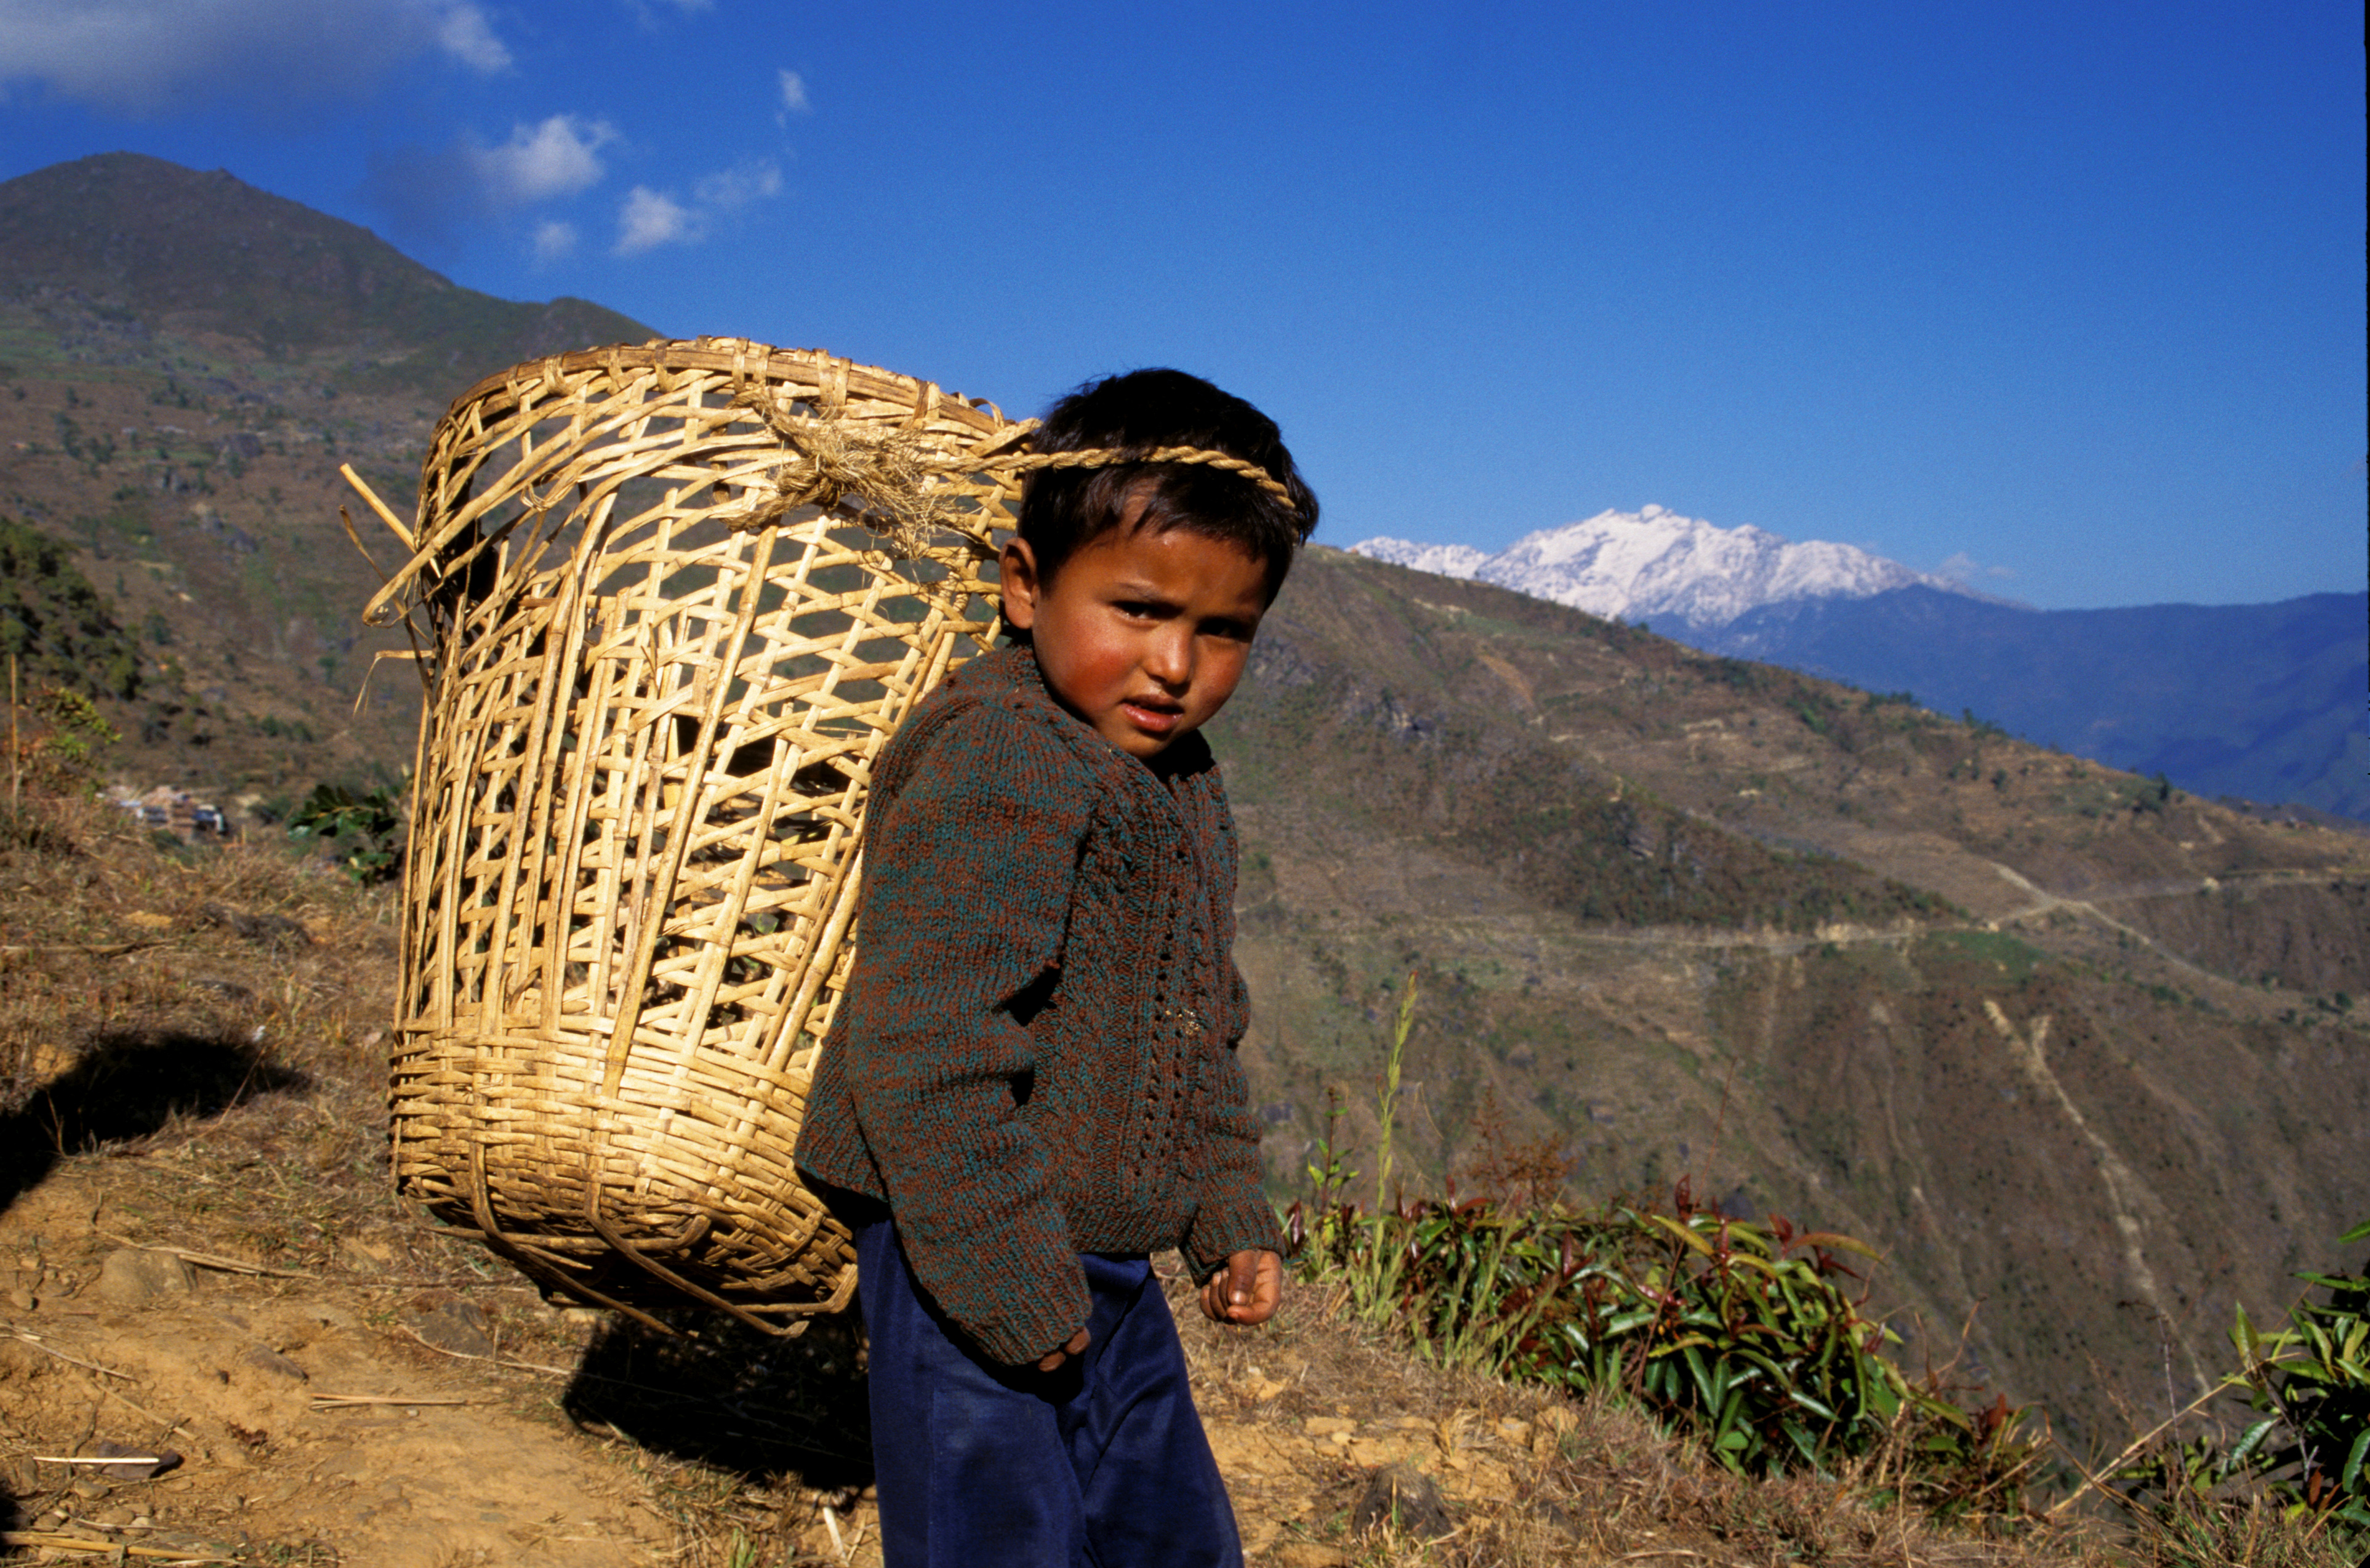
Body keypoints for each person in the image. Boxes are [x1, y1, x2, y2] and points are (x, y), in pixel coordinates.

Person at [795, 366, 1319, 1567]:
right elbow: (923, 1042)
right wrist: (997, 1265)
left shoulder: (1175, 778)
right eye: (1137, 609)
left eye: (1223, 629)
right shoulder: (1004, 755)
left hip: (1101, 1252)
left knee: (1169, 1537)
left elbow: (1196, 1019)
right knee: (997, 1538)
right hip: (960, 1238)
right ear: (1025, 585)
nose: (1175, 663)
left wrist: (1226, 1211)